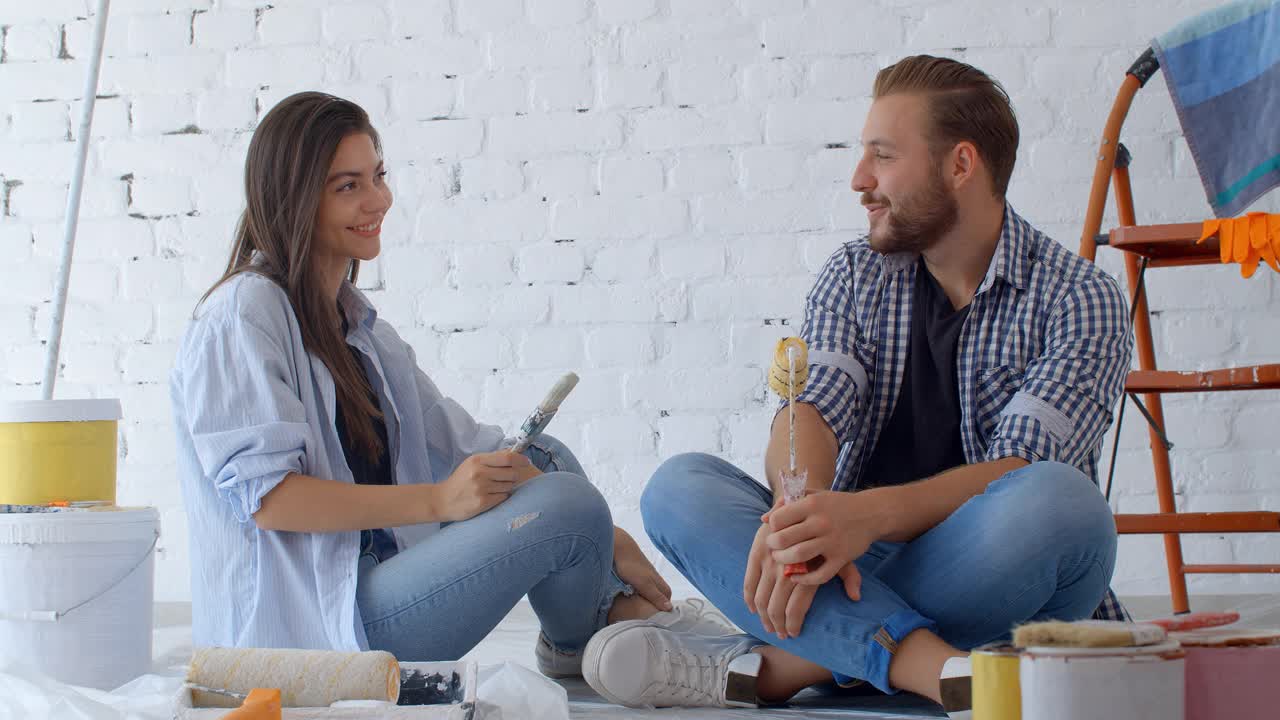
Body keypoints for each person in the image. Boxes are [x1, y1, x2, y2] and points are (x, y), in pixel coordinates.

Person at [582, 56, 1133, 717]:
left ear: (960, 167)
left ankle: (786, 665)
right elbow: (813, 405)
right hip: (842, 561)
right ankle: (934, 668)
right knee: (679, 488)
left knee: (1061, 504)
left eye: (883, 156)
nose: (859, 181)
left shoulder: (1081, 298)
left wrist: (861, 519)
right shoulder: (854, 274)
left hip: (991, 568)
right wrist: (800, 512)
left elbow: (1015, 468)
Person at [170, 91, 679, 675]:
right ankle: (595, 637)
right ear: (294, 197)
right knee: (565, 501)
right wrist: (442, 500)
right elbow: (270, 499)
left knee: (544, 457)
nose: (378, 200)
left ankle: (592, 633)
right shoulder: (242, 313)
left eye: (378, 176)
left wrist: (599, 533)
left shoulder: (357, 326)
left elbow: (468, 447)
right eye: (348, 185)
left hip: (386, 581)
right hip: (325, 627)